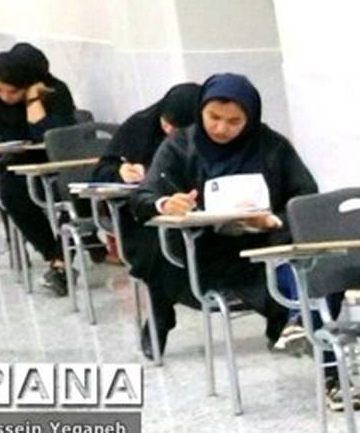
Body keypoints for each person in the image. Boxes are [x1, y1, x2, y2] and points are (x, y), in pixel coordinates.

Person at [129, 73, 318, 360]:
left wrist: (273, 221)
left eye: (234, 121)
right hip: (198, 249)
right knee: (155, 249)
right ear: (200, 111)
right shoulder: (180, 145)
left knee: (304, 267)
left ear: (250, 119)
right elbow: (143, 196)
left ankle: (289, 327)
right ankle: (159, 318)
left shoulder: (272, 146)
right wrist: (167, 203)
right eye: (213, 117)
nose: (221, 128)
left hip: (258, 247)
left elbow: (305, 199)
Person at [90, 83, 199, 355]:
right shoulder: (139, 126)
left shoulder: (214, 130)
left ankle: (279, 318)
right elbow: (101, 171)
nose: (170, 133)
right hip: (146, 215)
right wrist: (121, 171)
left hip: (201, 209)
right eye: (166, 125)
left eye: (179, 130)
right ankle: (160, 315)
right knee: (155, 245)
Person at [0, 42, 77, 293]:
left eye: (13, 92)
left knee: (73, 194)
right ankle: (54, 256)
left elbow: (49, 137)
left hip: (57, 163)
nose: (4, 97)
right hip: (14, 163)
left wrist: (33, 100)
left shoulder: (55, 92)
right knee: (10, 192)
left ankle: (62, 260)